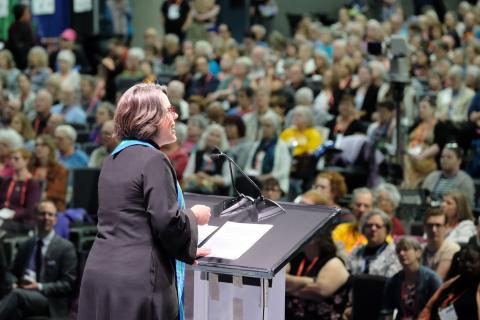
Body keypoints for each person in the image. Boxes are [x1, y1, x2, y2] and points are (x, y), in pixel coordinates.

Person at [78, 83, 211, 320]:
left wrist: (188, 247)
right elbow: (167, 222)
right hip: (138, 280)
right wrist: (195, 216)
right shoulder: (153, 160)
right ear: (149, 116)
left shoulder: (113, 158)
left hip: (101, 273)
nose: (176, 115)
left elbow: (134, 220)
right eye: (169, 109)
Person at [0, 200, 77, 319]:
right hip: (23, 290)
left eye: (50, 214)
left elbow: (67, 284)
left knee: (16, 295)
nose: (46, 217)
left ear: (55, 219)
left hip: (48, 298)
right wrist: (13, 282)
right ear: (35, 218)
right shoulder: (27, 244)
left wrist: (39, 286)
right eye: (42, 214)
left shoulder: (66, 248)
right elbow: (11, 271)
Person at [286, 233, 350, 320]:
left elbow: (319, 291)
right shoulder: (296, 258)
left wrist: (288, 289)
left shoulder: (333, 261)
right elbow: (279, 281)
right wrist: (310, 281)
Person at [382, 236, 442, 320]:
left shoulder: (432, 279)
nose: (401, 253)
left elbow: (442, 308)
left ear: (418, 253)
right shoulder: (393, 281)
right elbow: (387, 310)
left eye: (406, 249)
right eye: (398, 251)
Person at [419, 245, 480, 320]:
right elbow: (428, 309)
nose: (467, 264)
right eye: (462, 260)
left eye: (471, 260)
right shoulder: (449, 285)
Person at [347, 209, 402, 278]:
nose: (373, 229)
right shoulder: (356, 251)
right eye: (369, 225)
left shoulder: (395, 253)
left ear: (387, 230)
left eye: (378, 226)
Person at [0, 148, 41, 233]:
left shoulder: (32, 183)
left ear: (26, 160)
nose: (12, 161)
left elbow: (31, 209)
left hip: (22, 221)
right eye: (11, 158)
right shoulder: (7, 181)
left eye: (16, 158)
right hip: (4, 216)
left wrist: (14, 214)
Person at [422, 142, 475, 207]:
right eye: (442, 157)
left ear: (459, 160)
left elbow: (467, 207)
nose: (444, 159)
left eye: (449, 157)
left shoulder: (465, 181)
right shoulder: (432, 176)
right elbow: (422, 197)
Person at [29, 135, 68, 212]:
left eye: (43, 145)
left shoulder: (59, 169)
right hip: (31, 204)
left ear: (50, 149)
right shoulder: (30, 167)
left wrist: (39, 196)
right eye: (37, 145)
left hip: (53, 206)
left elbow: (58, 192)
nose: (38, 148)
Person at [421, 208, 461, 281]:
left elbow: (437, 281)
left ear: (446, 227)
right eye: (430, 225)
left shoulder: (451, 249)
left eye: (438, 225)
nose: (434, 230)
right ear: (424, 227)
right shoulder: (420, 250)